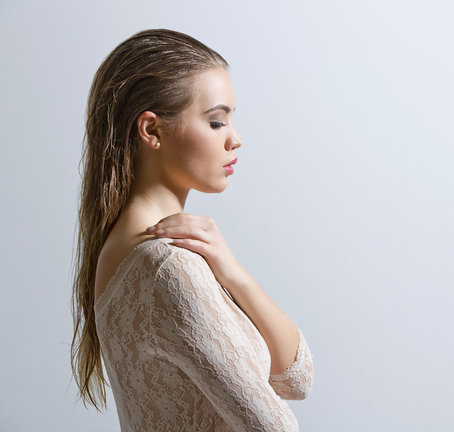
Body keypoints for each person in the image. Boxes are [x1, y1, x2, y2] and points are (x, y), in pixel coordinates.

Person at [70, 29, 314, 431]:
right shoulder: (167, 267)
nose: (235, 139)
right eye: (217, 122)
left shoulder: (128, 250)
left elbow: (296, 379)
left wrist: (233, 273)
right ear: (152, 130)